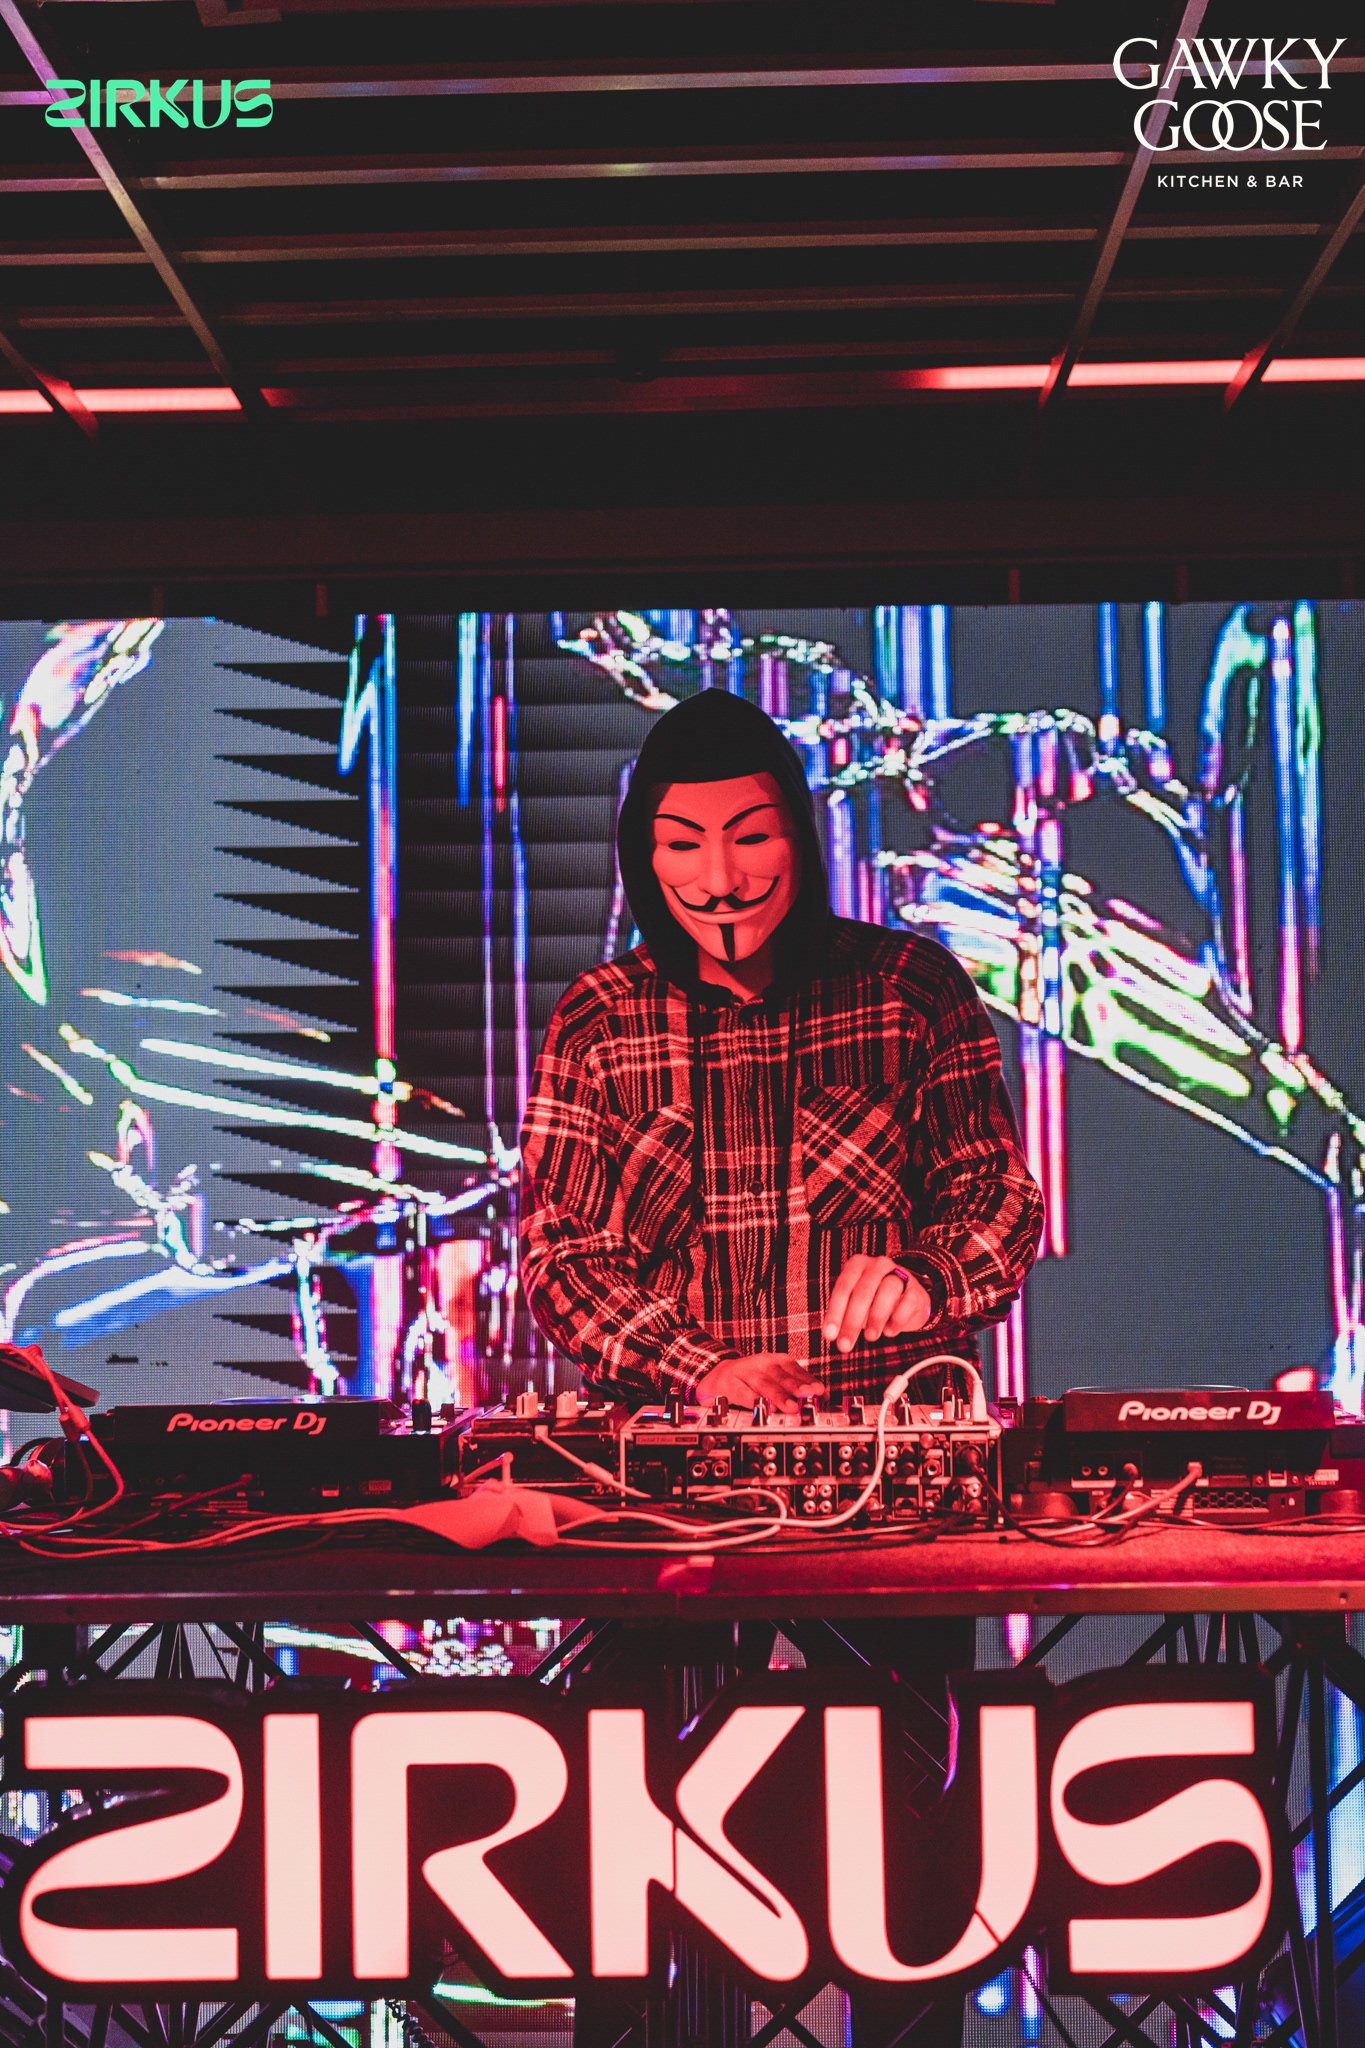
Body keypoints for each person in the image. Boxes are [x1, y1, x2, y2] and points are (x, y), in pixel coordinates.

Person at [519, 688, 1043, 2043]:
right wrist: (703, 1370)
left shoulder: (908, 989)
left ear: (800, 839)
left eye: (749, 837)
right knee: (637, 1841)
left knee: (912, 1845)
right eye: (682, 844)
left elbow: (1000, 1202)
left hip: (887, 1487)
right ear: (643, 854)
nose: (719, 878)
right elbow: (560, 1257)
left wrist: (926, 1274)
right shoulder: (599, 1019)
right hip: (666, 1497)